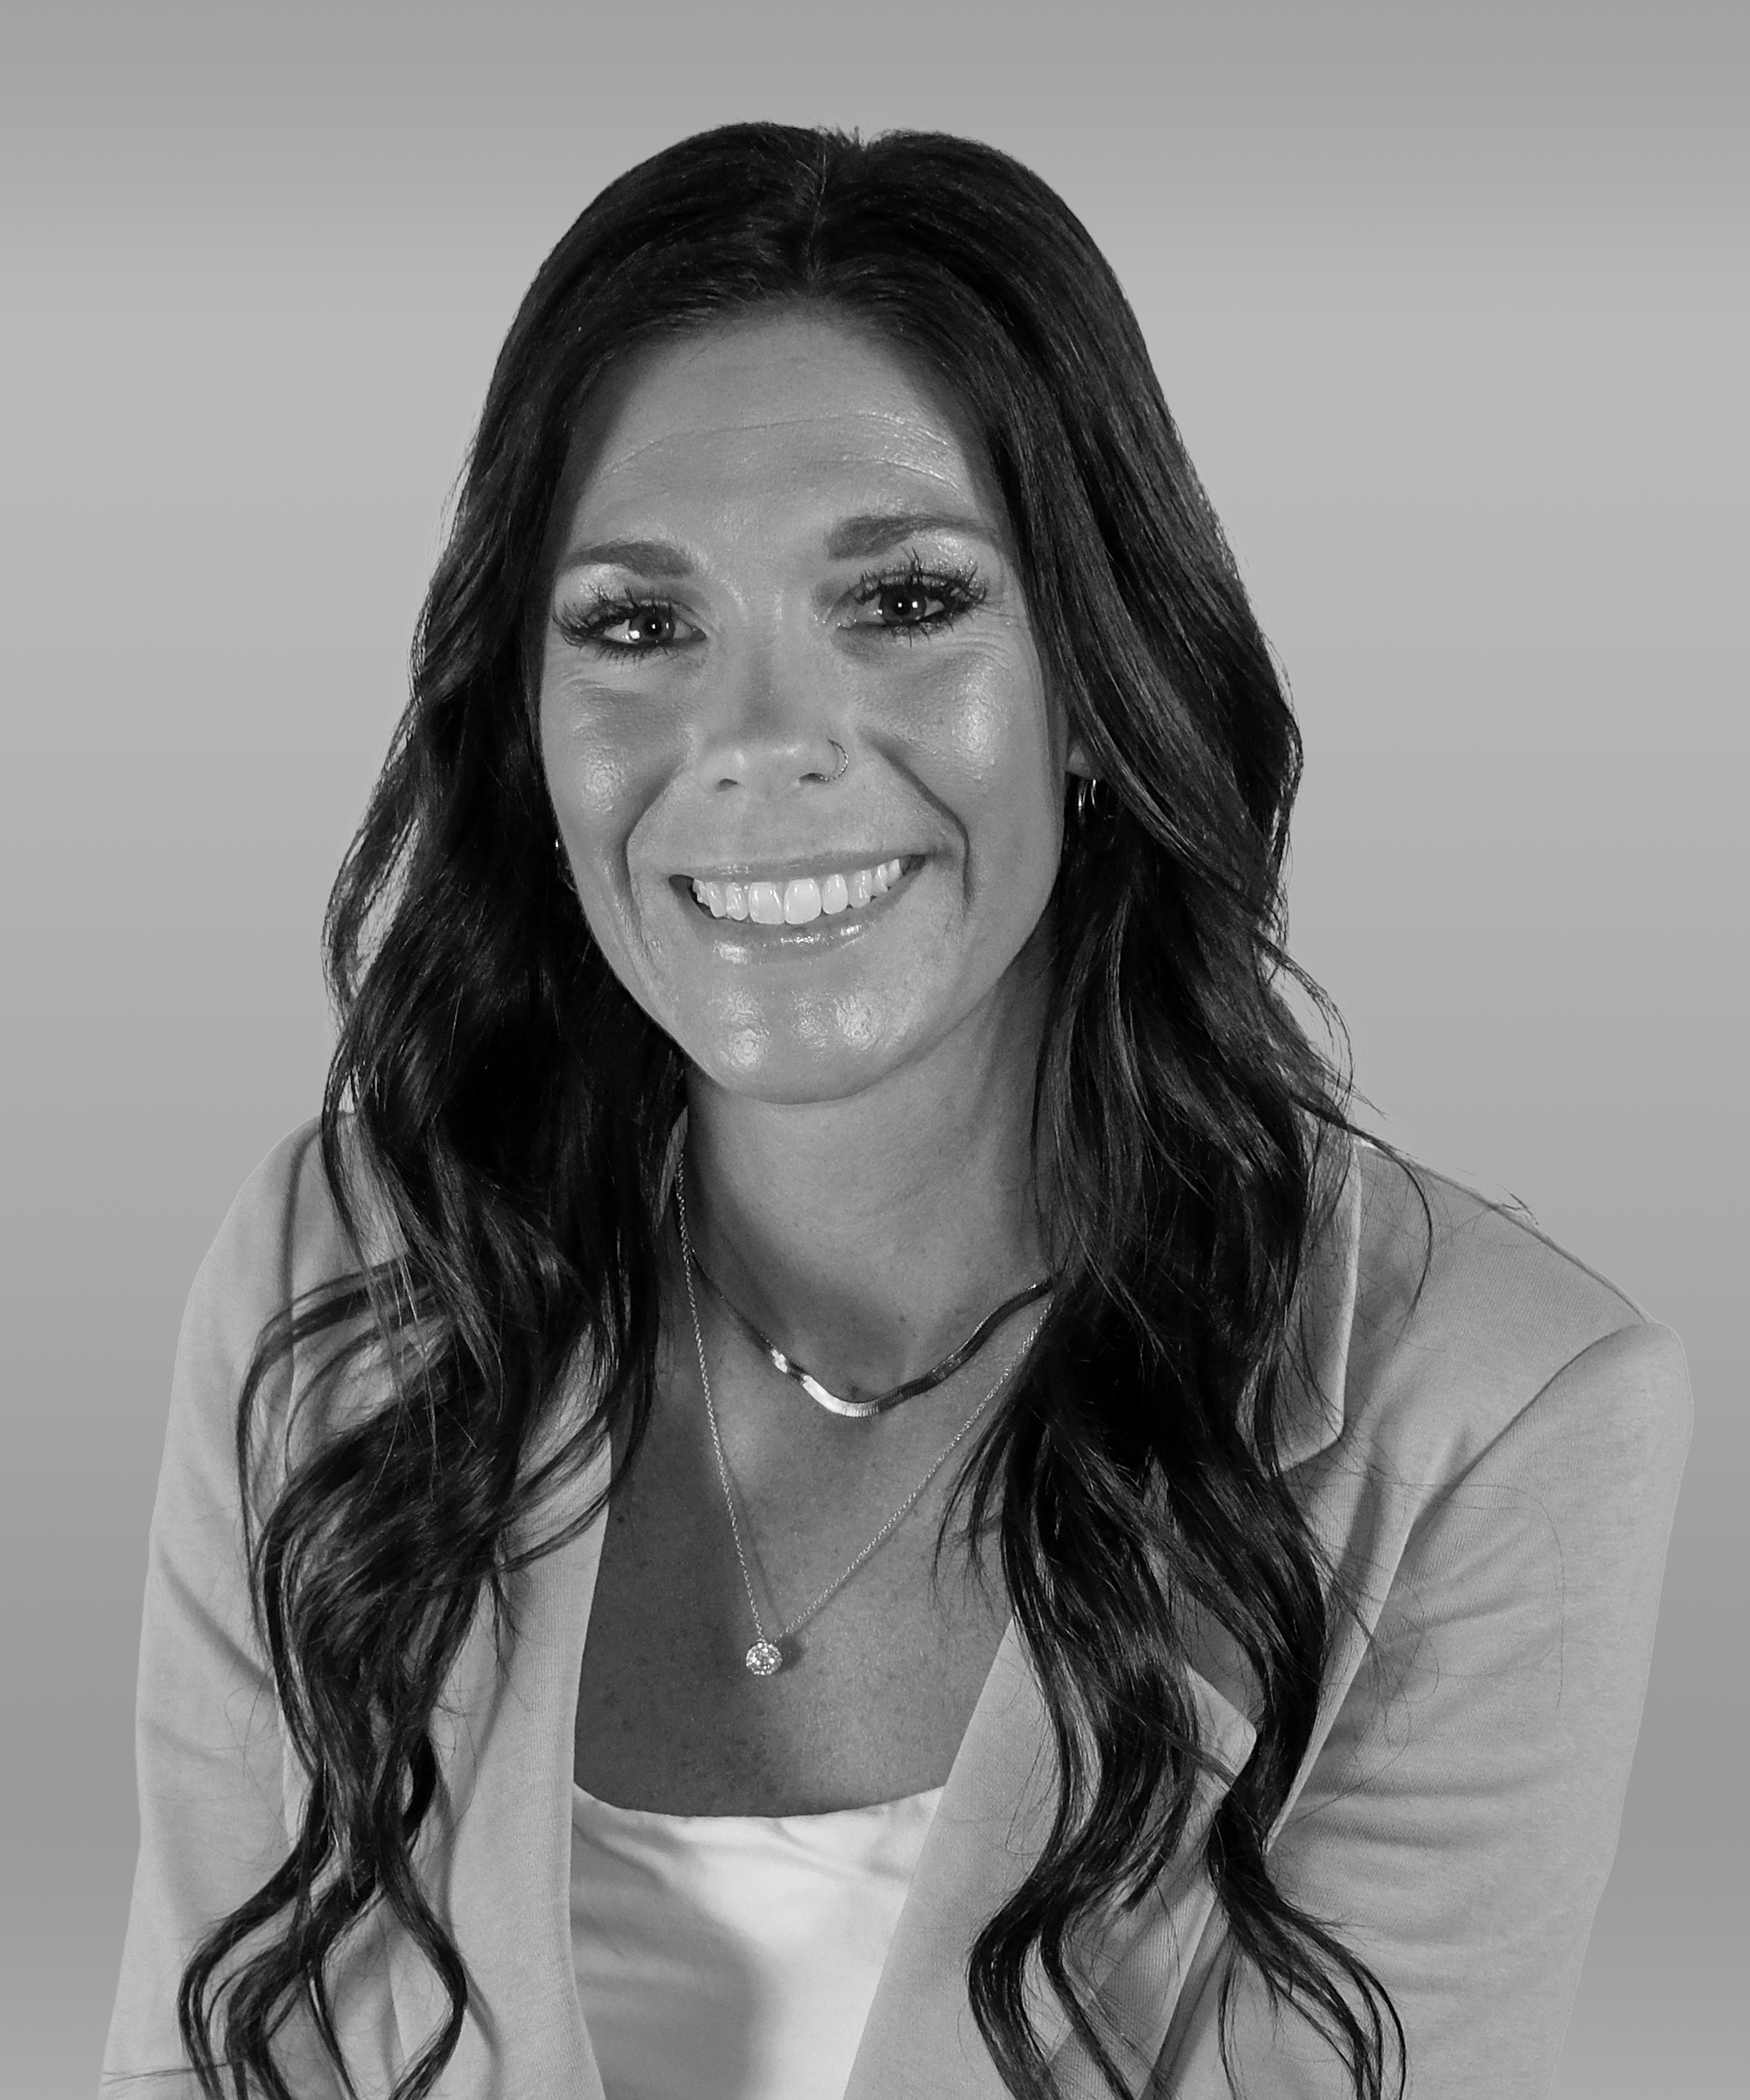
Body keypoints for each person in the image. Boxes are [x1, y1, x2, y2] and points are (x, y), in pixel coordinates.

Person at [102, 124, 1690, 2100]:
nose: (760, 748)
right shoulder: (345, 1278)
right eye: (636, 626)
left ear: (1098, 680)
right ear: (524, 719)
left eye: (907, 601)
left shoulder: (1489, 1416)